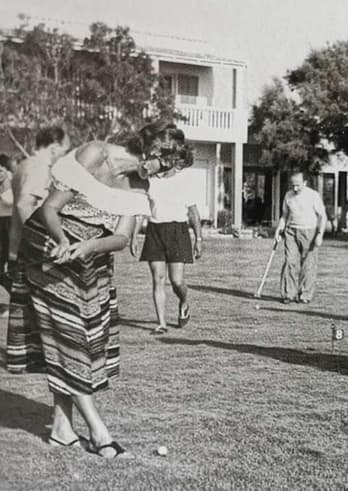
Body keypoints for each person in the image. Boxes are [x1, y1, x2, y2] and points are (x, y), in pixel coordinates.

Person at [9, 122, 185, 457]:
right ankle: (99, 433)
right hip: (49, 243)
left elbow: (121, 237)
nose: (163, 173)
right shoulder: (95, 152)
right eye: (164, 163)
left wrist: (89, 247)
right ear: (152, 150)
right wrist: (65, 242)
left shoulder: (140, 182)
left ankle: (62, 429)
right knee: (69, 337)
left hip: (91, 257)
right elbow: (49, 208)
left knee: (80, 341)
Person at [5, 127, 70, 372]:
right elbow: (24, 205)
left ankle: (25, 358)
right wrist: (42, 237)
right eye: (64, 149)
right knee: (46, 302)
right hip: (35, 246)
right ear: (54, 146)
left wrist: (13, 251)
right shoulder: (39, 168)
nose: (64, 154)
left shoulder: (23, 165)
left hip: (20, 244)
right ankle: (41, 357)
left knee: (27, 304)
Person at [131, 146, 201, 335]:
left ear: (175, 161)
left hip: (178, 231)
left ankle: (184, 301)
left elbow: (193, 213)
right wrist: (134, 236)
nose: (165, 162)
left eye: (169, 159)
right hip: (155, 230)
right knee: (157, 279)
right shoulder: (150, 181)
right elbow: (141, 210)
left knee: (176, 281)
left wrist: (199, 239)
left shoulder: (184, 180)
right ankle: (161, 324)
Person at [274, 171, 327, 304]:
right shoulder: (288, 196)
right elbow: (285, 216)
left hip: (309, 232)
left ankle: (304, 295)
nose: (295, 188)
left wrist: (319, 234)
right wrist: (278, 230)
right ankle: (288, 294)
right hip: (291, 231)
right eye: (293, 185)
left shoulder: (313, 196)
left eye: (298, 185)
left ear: (305, 183)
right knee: (289, 261)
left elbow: (323, 216)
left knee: (308, 265)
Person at [0, 155, 14, 285]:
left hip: (11, 220)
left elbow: (9, 200)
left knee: (10, 252)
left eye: (1, 171)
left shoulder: (12, 180)